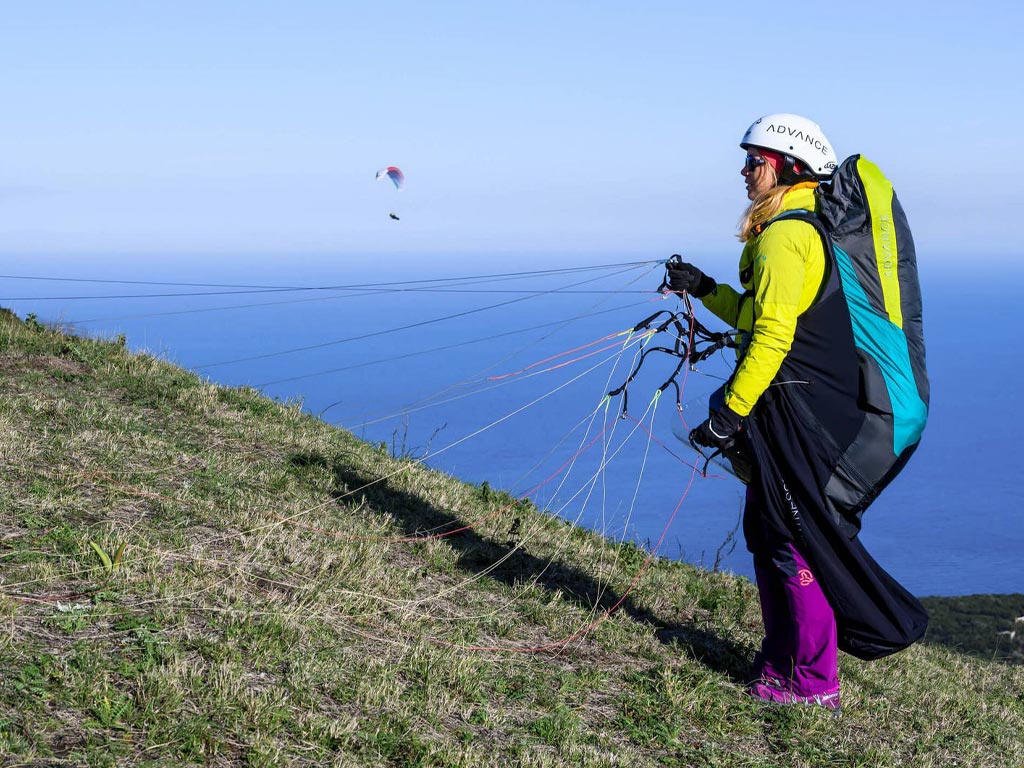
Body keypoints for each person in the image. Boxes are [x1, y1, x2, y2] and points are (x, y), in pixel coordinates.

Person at [665, 113, 924, 711]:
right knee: (768, 530)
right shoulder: (790, 229)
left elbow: (774, 336)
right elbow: (760, 317)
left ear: (786, 165)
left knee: (793, 539)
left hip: (802, 414)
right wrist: (704, 288)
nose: (744, 171)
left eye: (754, 161)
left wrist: (730, 412)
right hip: (795, 408)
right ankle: (780, 658)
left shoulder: (787, 234)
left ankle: (812, 683)